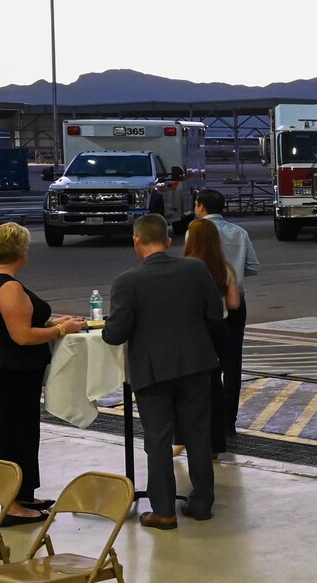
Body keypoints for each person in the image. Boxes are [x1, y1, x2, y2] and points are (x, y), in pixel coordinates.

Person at [102, 214, 228, 527]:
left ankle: (164, 511)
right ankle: (201, 505)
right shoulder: (195, 269)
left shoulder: (126, 282)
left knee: (157, 440)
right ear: (168, 241)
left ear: (136, 241)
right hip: (196, 364)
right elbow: (215, 314)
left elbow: (115, 334)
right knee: (198, 435)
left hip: (152, 372)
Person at [0, 222, 86, 522]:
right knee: (13, 435)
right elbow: (21, 335)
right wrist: (61, 329)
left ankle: (23, 493)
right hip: (9, 370)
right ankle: (11, 505)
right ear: (21, 252)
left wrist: (52, 322)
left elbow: (11, 324)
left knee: (19, 432)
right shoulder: (9, 287)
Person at [192, 189, 259, 457]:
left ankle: (207, 421)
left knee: (207, 364)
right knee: (232, 363)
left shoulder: (196, 231)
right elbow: (253, 266)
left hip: (205, 306)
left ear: (202, 207)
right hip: (235, 302)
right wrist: (235, 272)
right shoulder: (239, 232)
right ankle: (228, 422)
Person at [183, 219, 241, 456]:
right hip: (219, 329)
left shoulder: (183, 267)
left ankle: (186, 438)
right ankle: (216, 443)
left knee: (191, 386)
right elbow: (234, 303)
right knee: (214, 384)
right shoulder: (224, 267)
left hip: (192, 331)